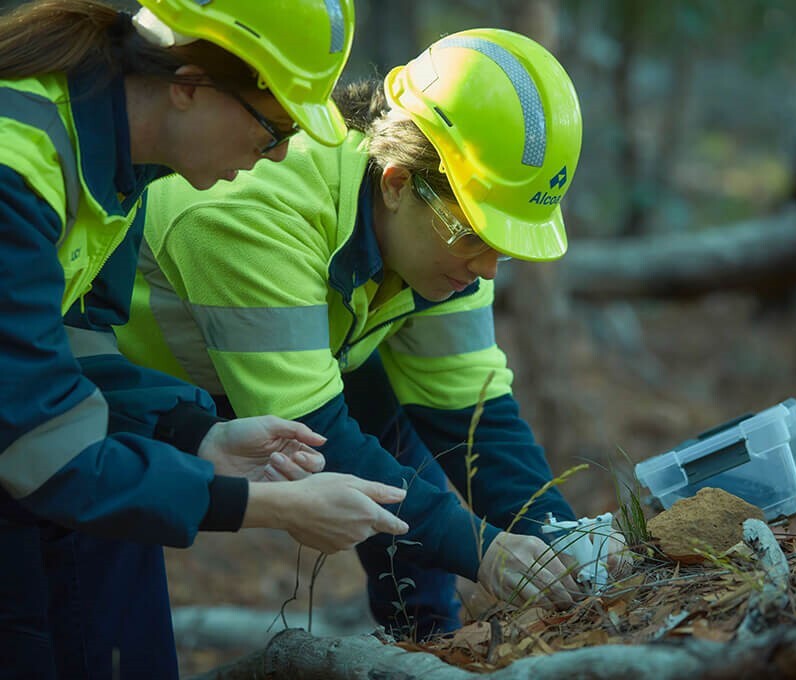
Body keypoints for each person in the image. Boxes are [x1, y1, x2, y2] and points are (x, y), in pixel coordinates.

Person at [117, 28, 586, 639]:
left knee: (400, 453)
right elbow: (313, 437)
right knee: (101, 622)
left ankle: (427, 648)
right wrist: (487, 551)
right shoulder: (249, 210)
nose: (488, 268)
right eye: (476, 236)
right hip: (126, 398)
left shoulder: (449, 236)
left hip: (301, 375)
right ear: (396, 183)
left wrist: (564, 538)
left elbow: (474, 416)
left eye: (504, 245)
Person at [0, 1, 411, 678]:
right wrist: (266, 506)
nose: (280, 153)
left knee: (115, 540)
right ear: (189, 84)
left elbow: (77, 354)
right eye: (273, 125)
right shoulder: (20, 168)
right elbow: (43, 453)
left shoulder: (117, 154)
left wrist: (196, 435)